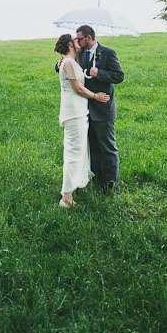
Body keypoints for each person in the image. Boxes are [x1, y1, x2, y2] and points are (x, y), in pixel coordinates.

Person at [55, 33, 110, 208]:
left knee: (79, 151)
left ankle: (74, 186)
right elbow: (78, 88)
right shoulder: (69, 62)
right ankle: (66, 196)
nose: (78, 42)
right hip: (73, 112)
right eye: (75, 40)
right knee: (73, 153)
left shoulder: (71, 61)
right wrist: (96, 96)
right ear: (70, 44)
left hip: (79, 111)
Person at [75, 24, 124, 193]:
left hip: (103, 109)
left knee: (108, 148)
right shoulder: (79, 54)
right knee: (93, 147)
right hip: (85, 109)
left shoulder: (108, 53)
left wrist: (100, 74)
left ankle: (112, 186)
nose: (77, 41)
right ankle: (98, 181)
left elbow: (119, 76)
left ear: (89, 38)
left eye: (79, 38)